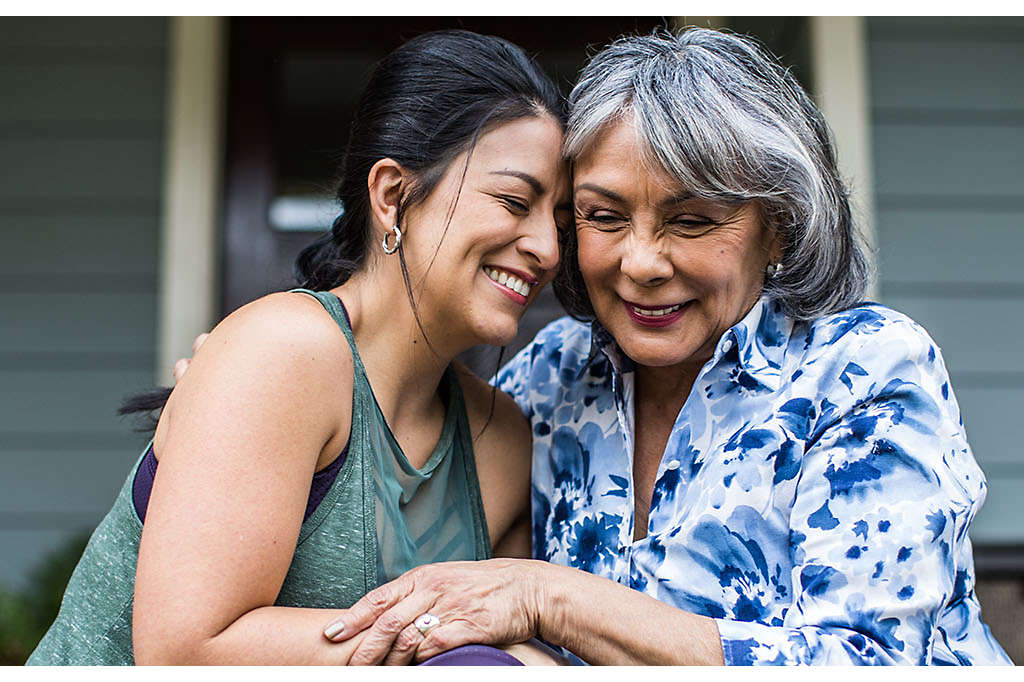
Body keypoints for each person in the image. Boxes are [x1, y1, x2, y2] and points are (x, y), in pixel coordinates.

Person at [319, 28, 1012, 665]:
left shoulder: (864, 368)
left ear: (778, 227)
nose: (642, 262)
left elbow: (870, 664)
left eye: (690, 220)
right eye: (604, 216)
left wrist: (548, 598)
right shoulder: (549, 377)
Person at [27, 30, 572, 665]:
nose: (548, 249)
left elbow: (515, 654)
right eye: (513, 202)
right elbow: (183, 654)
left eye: (560, 220)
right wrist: (438, 640)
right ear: (393, 196)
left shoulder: (499, 441)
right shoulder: (285, 353)